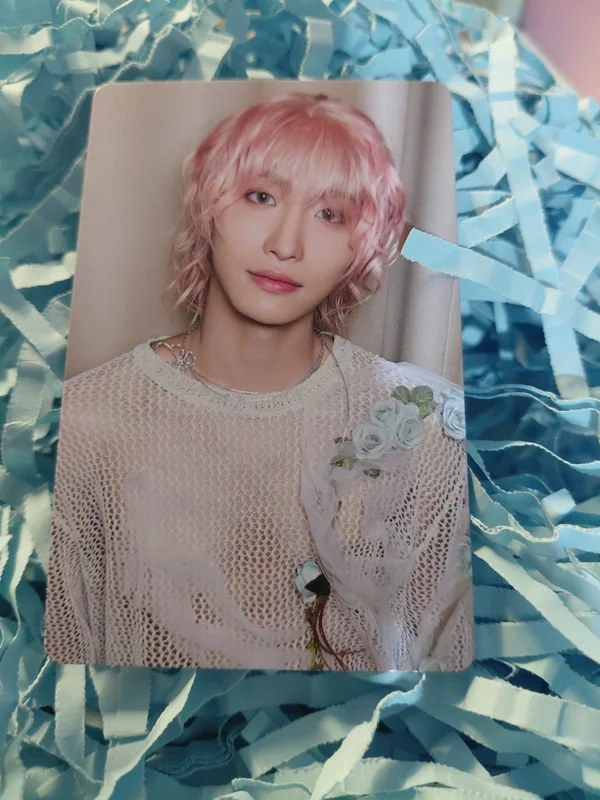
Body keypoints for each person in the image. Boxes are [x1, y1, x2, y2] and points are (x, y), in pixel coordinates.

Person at [44, 92, 473, 672]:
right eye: (261, 196)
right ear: (209, 203)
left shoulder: (426, 428)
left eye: (331, 214)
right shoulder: (84, 425)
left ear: (366, 243)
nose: (285, 245)